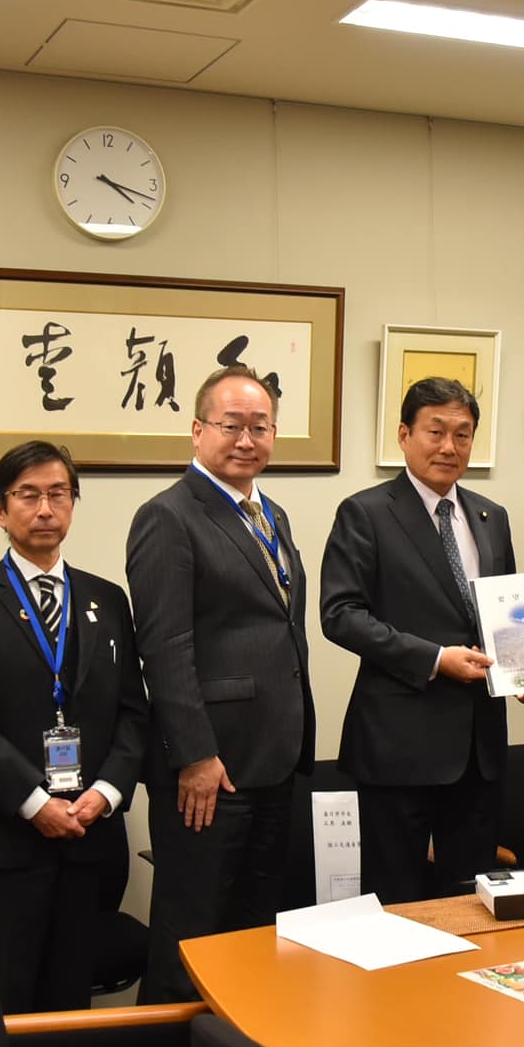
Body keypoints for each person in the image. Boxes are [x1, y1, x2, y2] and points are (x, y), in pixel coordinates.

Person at [0, 441, 146, 1012]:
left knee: (73, 998)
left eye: (58, 493)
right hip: (8, 839)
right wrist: (35, 803)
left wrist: (106, 793)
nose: (45, 508)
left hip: (91, 835)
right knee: (5, 1001)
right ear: (0, 510)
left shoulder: (107, 599)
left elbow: (133, 712)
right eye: (28, 495)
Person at [130, 364, 315, 1001]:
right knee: (193, 933)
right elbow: (164, 647)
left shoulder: (271, 513)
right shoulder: (168, 516)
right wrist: (195, 755)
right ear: (197, 430)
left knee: (254, 933)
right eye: (231, 425)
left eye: (259, 427)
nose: (246, 440)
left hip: (273, 758)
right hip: (210, 770)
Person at [321, 377, 520, 904]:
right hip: (399, 747)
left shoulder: (491, 517)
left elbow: (498, 614)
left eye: (463, 434)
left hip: (478, 749)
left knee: (474, 900)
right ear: (404, 435)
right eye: (436, 431)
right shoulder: (365, 513)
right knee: (395, 899)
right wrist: (434, 659)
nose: (449, 447)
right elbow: (341, 616)